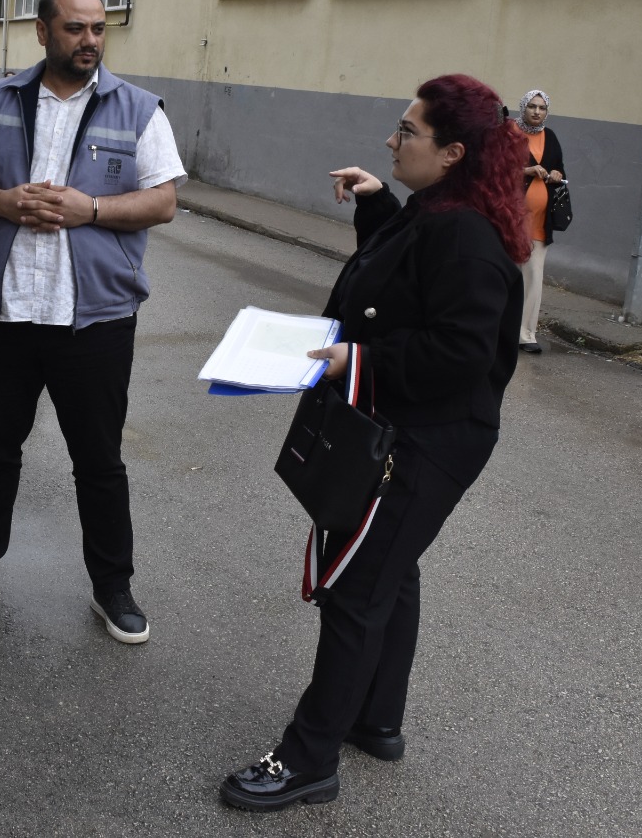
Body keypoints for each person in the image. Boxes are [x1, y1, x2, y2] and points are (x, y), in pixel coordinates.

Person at [221, 75, 528, 812]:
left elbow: (458, 351)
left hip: (430, 438)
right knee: (394, 570)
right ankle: (376, 719)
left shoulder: (464, 233)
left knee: (358, 588)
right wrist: (375, 203)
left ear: (452, 152)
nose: (392, 140)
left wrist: (354, 360)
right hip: (410, 424)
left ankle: (308, 760)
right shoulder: (438, 210)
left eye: (407, 132)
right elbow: (400, 282)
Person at [0, 0, 186, 644]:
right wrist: (6, 203)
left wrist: (90, 209)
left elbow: (162, 201)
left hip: (94, 320)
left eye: (99, 28)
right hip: (5, 313)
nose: (90, 41)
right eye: (75, 28)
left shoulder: (137, 109)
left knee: (98, 461)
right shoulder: (1, 99)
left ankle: (113, 587)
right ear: (43, 31)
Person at [517, 89, 564, 354]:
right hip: (511, 218)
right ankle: (500, 328)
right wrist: (526, 170)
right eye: (532, 106)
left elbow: (560, 169)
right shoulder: (510, 135)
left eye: (542, 108)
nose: (537, 112)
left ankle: (526, 334)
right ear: (523, 108)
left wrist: (556, 173)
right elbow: (495, 171)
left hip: (539, 221)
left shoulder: (551, 137)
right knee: (508, 274)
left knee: (534, 276)